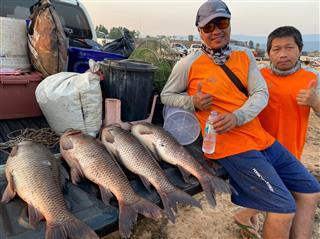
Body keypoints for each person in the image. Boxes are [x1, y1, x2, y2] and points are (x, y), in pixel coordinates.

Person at [160, 1, 320, 239]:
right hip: (229, 146)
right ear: (200, 31)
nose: (216, 31)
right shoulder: (188, 63)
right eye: (208, 27)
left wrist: (238, 117)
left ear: (230, 23)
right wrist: (192, 102)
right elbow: (166, 95)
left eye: (221, 22)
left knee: (310, 192)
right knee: (284, 209)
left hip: (262, 139)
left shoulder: (244, 55)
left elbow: (260, 93)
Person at [234, 26, 320, 239]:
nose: (283, 54)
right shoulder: (257, 77)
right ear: (268, 53)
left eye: (289, 48)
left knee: (297, 197)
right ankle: (245, 215)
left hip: (292, 152)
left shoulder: (312, 77)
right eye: (276, 49)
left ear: (300, 50)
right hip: (260, 151)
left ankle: (245, 216)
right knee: (281, 203)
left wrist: (316, 102)